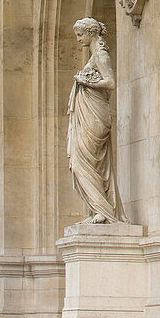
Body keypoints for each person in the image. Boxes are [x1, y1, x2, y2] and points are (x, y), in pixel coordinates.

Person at [67, 17, 126, 222]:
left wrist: (86, 81)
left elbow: (110, 82)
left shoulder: (101, 55)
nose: (78, 39)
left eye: (80, 34)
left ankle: (104, 210)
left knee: (87, 160)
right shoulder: (93, 56)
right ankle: (97, 207)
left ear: (91, 33)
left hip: (96, 116)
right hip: (88, 113)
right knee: (79, 162)